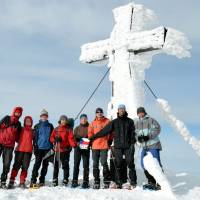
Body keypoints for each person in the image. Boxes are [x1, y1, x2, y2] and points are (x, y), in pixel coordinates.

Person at [89, 105, 137, 189]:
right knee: (118, 164)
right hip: (118, 146)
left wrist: (133, 143)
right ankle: (119, 182)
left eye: (123, 109)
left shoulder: (130, 121)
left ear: (125, 110)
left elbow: (133, 133)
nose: (121, 111)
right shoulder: (114, 122)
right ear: (118, 111)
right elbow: (105, 131)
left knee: (130, 163)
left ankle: (133, 182)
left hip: (128, 146)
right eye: (120, 109)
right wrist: (94, 137)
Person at [135, 107, 162, 190]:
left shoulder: (150, 120)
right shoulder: (137, 123)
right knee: (143, 164)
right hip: (144, 147)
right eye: (139, 113)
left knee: (156, 163)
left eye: (141, 112)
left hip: (153, 144)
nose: (140, 114)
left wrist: (148, 136)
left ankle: (160, 183)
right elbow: (135, 133)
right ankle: (151, 181)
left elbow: (157, 128)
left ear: (144, 112)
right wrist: (138, 138)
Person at [88, 108, 112, 189]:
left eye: (100, 112)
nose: (99, 113)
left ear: (102, 113)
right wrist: (91, 137)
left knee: (104, 163)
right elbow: (90, 132)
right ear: (95, 114)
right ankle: (96, 181)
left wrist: (110, 141)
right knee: (95, 164)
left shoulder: (107, 121)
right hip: (95, 146)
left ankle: (106, 181)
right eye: (97, 112)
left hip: (104, 145)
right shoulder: (92, 123)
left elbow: (111, 132)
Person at [50, 115, 77, 186]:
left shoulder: (68, 129)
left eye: (65, 120)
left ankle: (65, 179)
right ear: (60, 121)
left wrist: (74, 145)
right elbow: (51, 138)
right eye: (62, 120)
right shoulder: (56, 129)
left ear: (66, 121)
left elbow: (70, 138)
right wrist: (55, 139)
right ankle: (55, 179)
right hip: (57, 150)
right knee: (56, 165)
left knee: (65, 165)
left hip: (65, 150)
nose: (63, 121)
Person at [8, 116, 34, 189]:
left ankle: (22, 182)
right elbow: (15, 137)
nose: (28, 122)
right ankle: (11, 180)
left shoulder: (33, 131)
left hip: (28, 151)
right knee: (16, 166)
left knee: (25, 167)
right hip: (19, 150)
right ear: (24, 122)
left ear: (31, 122)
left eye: (29, 121)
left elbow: (35, 140)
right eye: (27, 120)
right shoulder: (21, 129)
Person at [30, 109, 54, 188]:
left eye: (45, 116)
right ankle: (33, 181)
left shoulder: (50, 126)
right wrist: (35, 147)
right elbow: (34, 138)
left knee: (45, 165)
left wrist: (52, 146)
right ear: (40, 117)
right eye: (43, 116)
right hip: (39, 148)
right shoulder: (37, 126)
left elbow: (52, 137)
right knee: (37, 165)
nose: (44, 117)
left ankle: (42, 181)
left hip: (47, 148)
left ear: (47, 117)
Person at [0, 107, 23, 188]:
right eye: (17, 112)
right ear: (14, 112)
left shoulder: (18, 124)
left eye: (19, 113)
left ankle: (3, 181)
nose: (18, 114)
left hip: (9, 146)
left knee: (7, 164)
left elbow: (18, 137)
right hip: (0, 142)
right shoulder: (6, 118)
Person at [72, 114, 90, 189]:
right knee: (76, 164)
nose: (84, 120)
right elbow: (73, 137)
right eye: (82, 119)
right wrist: (77, 141)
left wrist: (88, 140)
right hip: (78, 148)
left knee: (85, 165)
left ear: (87, 119)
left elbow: (91, 136)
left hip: (86, 146)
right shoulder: (76, 128)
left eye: (85, 119)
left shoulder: (89, 127)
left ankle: (85, 181)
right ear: (80, 120)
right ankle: (74, 181)